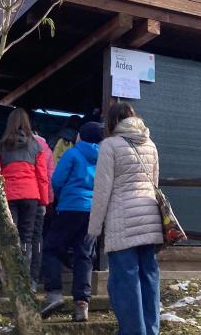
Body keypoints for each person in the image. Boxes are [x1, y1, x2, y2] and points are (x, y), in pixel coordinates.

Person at [88, 103, 163, 335]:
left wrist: (94, 228)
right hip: (149, 218)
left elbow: (102, 191)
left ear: (111, 122)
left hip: (122, 222)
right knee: (149, 277)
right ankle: (151, 331)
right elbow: (155, 184)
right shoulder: (150, 143)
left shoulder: (109, 145)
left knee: (125, 281)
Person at [41, 121, 103, 322]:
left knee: (52, 248)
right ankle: (81, 305)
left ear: (81, 136)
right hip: (93, 211)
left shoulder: (72, 154)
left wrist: (64, 196)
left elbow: (57, 180)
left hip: (69, 208)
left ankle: (54, 294)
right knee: (84, 255)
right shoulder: (104, 157)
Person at [0, 108, 49, 276]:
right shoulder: (36, 146)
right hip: (31, 196)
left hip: (8, 197)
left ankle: (11, 276)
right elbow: (42, 176)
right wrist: (44, 201)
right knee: (28, 238)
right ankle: (28, 278)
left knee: (10, 237)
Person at [29, 128, 55, 290]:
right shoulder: (45, 147)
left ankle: (17, 277)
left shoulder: (8, 143)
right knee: (36, 238)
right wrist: (49, 200)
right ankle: (33, 278)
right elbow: (49, 176)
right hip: (39, 199)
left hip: (14, 200)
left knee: (19, 237)